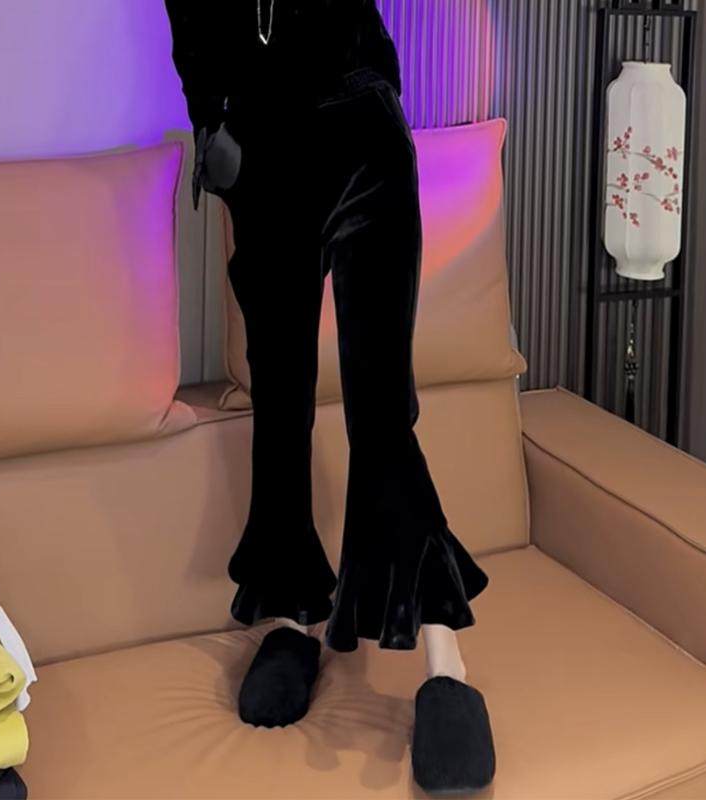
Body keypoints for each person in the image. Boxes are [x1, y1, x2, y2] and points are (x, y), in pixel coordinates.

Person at [164, 0, 495, 791]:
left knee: (381, 405)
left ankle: (444, 657)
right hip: (258, 152)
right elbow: (190, 22)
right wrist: (210, 123)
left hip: (359, 130)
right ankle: (292, 615)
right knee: (279, 404)